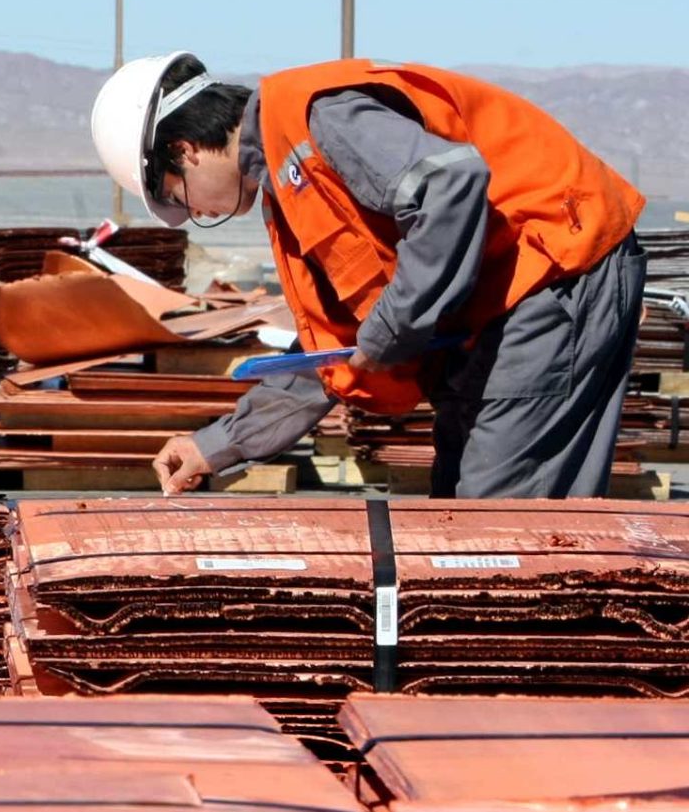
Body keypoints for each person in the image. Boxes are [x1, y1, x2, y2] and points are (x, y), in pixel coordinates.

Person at [89, 53, 646, 498]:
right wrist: (218, 444)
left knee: (499, 528)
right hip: (503, 307)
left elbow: (451, 183)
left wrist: (390, 331)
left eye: (182, 200)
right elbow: (334, 354)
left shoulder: (317, 117)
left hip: (556, 267)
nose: (202, 214)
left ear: (184, 151)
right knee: (460, 509)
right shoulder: (291, 192)